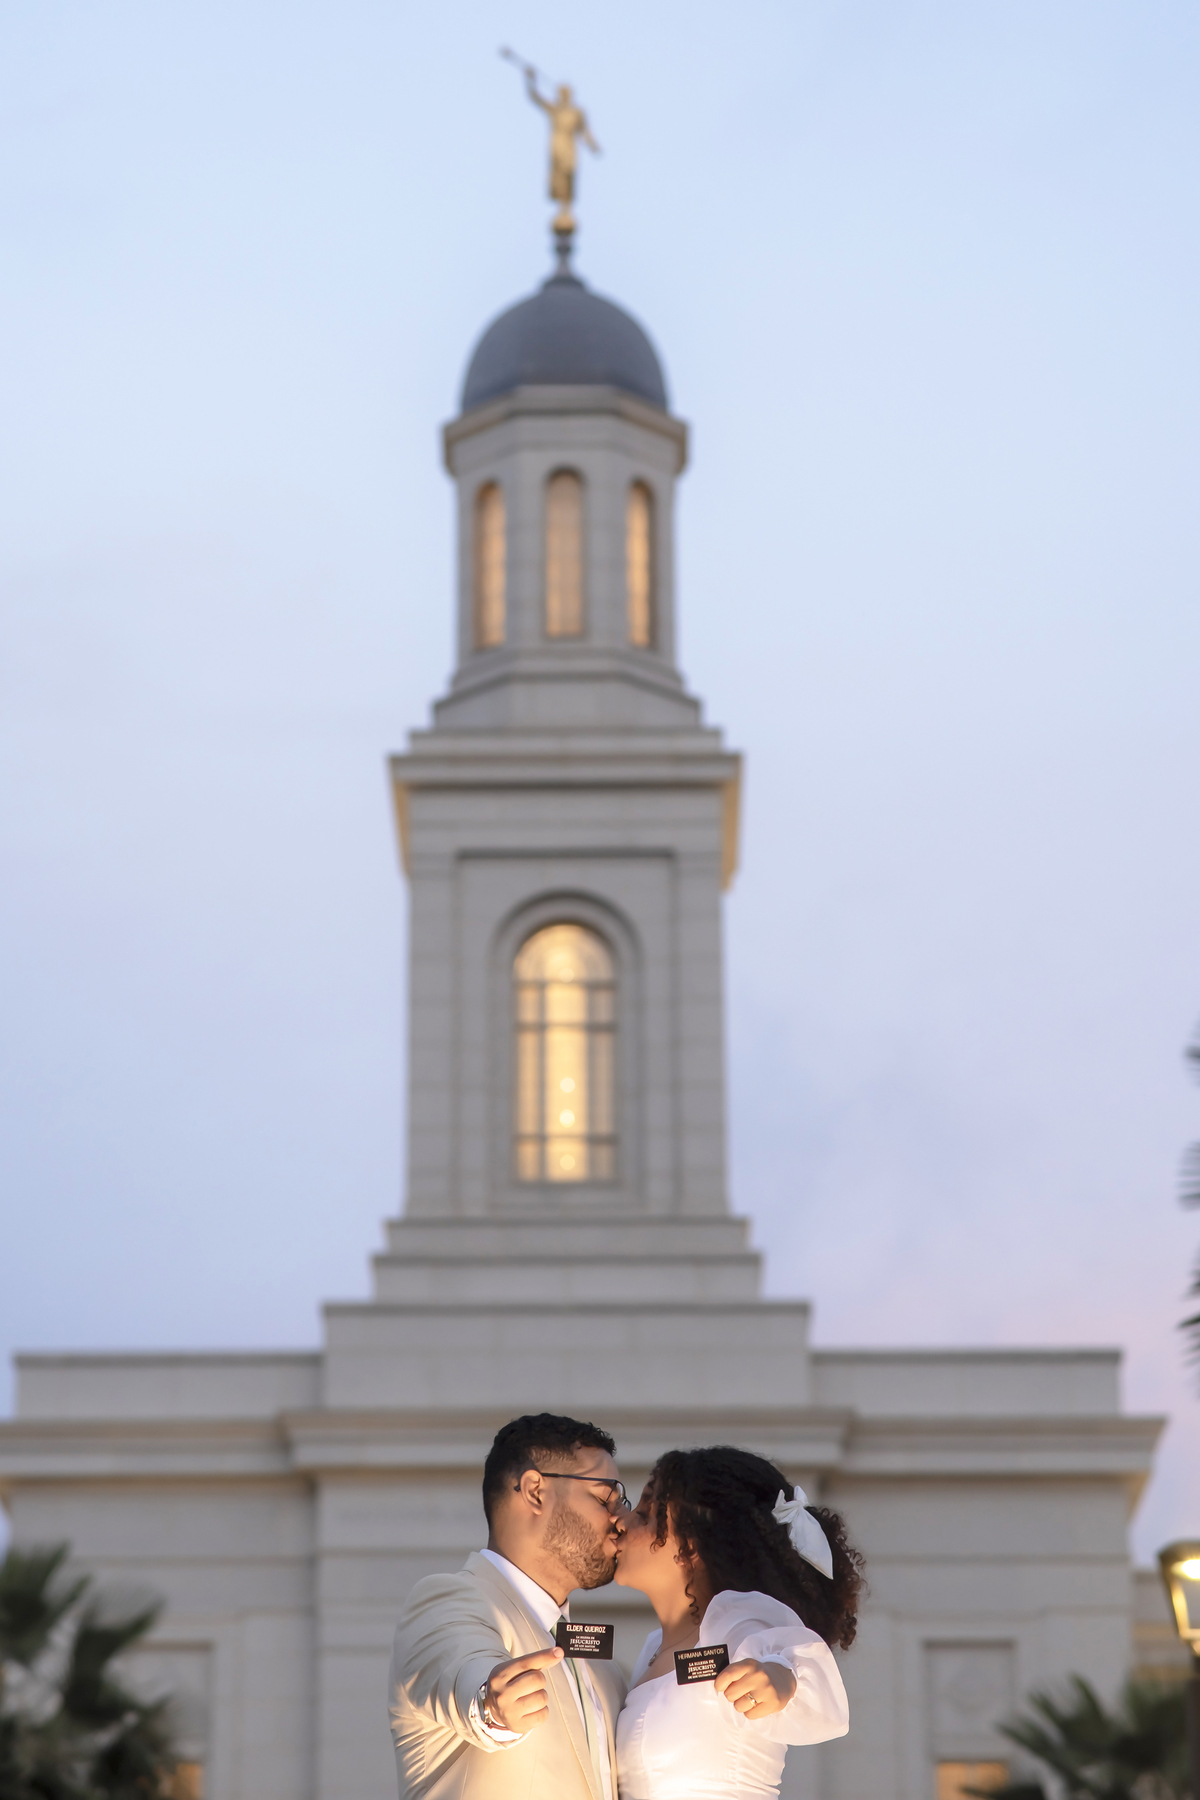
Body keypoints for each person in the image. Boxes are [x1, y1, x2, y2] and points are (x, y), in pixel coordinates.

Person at [388, 1413, 629, 1800]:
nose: (622, 1520)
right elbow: (468, 1675)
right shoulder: (446, 1603)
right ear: (535, 1491)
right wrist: (493, 1708)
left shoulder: (607, 1670)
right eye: (605, 1497)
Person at [611, 1446, 862, 1800]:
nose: (622, 1521)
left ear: (690, 1541)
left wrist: (779, 1678)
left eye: (646, 1510)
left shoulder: (736, 1619)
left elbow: (792, 1658)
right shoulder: (653, 1649)